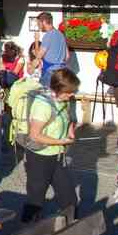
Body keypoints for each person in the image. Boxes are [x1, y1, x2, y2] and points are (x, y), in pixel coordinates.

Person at [21, 68, 80, 223]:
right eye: (69, 92)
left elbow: (68, 118)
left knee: (69, 197)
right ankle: (27, 233)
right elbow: (35, 135)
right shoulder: (43, 106)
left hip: (57, 155)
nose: (72, 95)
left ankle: (71, 232)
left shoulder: (63, 101)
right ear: (58, 90)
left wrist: (70, 131)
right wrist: (61, 142)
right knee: (36, 197)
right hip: (39, 156)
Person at [37, 12, 70, 87]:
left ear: (44, 22)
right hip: (61, 71)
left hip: (49, 72)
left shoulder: (48, 36)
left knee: (45, 96)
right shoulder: (61, 35)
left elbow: (39, 56)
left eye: (39, 24)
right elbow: (67, 56)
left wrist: (36, 41)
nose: (39, 27)